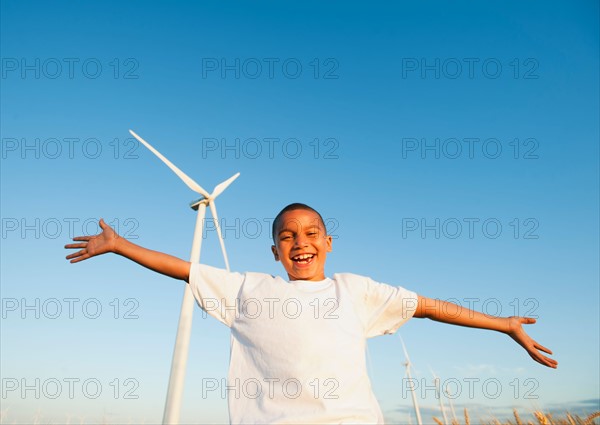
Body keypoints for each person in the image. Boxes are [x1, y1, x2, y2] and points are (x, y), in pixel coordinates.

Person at [65, 203, 557, 424]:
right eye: (287, 236)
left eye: (310, 233)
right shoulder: (247, 289)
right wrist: (121, 244)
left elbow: (427, 307)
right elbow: (183, 268)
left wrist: (503, 325)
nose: (300, 242)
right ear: (274, 251)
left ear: (328, 243)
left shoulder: (355, 290)